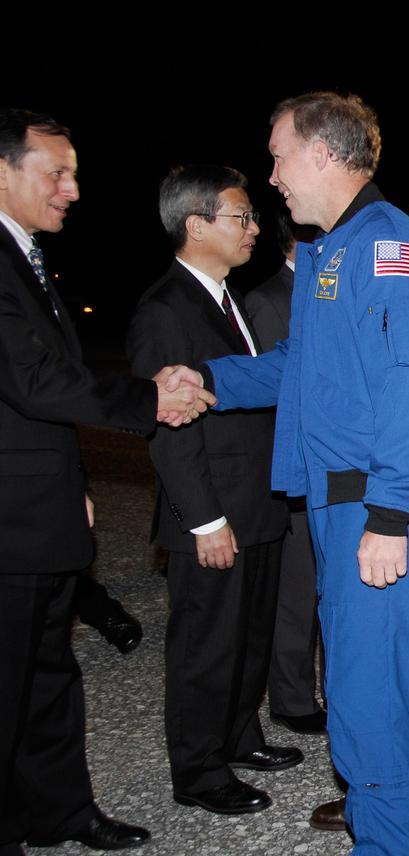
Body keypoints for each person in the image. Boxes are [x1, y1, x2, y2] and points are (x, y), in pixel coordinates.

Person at [192, 92, 409, 855]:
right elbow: (301, 368)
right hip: (348, 501)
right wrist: (208, 380)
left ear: (321, 153)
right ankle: (384, 809)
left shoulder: (386, 248)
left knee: (371, 692)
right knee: (360, 682)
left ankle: (388, 836)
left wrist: (390, 516)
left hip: (375, 502)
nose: (272, 175)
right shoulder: (337, 250)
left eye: (277, 155)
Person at [0, 107, 213, 854]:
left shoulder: (22, 255)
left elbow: (36, 401)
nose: (72, 190)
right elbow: (33, 381)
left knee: (49, 674)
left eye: (75, 174)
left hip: (38, 508)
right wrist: (149, 398)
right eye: (55, 173)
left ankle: (59, 813)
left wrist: (73, 480)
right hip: (8, 521)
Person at [127, 165, 295, 815]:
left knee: (248, 635)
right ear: (196, 225)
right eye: (241, 217)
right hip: (215, 515)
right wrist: (203, 521)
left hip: (256, 504)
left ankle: (237, 735)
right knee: (206, 646)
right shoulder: (166, 309)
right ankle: (198, 770)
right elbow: (169, 430)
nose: (254, 228)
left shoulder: (229, 300)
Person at [245, 209, 326, 735]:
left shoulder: (324, 290)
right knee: (296, 592)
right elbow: (274, 394)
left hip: (329, 467)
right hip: (295, 466)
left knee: (324, 587)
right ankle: (292, 698)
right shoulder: (269, 300)